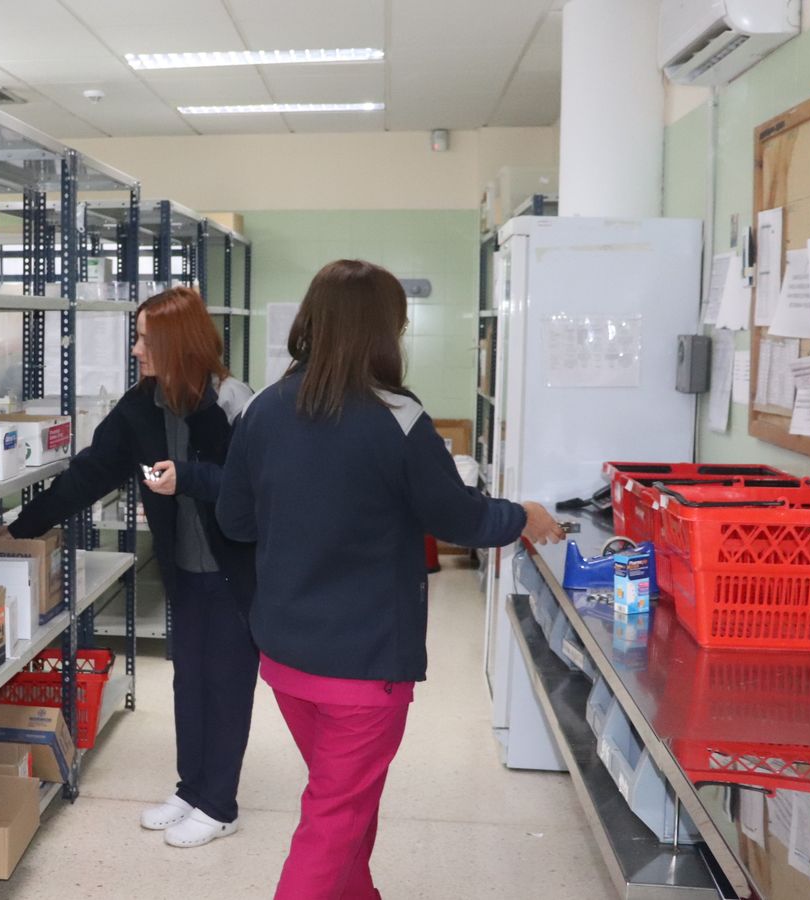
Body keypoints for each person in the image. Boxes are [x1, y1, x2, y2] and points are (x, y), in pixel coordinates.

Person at [216, 260, 565, 899]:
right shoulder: (399, 417)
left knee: (347, 802)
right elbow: (459, 518)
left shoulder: (263, 408)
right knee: (334, 816)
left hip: (287, 657)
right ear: (384, 331)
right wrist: (523, 516)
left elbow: (234, 521)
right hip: (365, 664)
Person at [6, 286, 258, 849]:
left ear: (178, 342)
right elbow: (90, 473)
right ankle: (192, 791)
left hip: (235, 573)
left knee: (226, 685)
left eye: (145, 339)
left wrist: (189, 477)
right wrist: (20, 529)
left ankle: (221, 805)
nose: (136, 349)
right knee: (190, 681)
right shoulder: (142, 404)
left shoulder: (232, 401)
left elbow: (255, 486)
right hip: (183, 572)